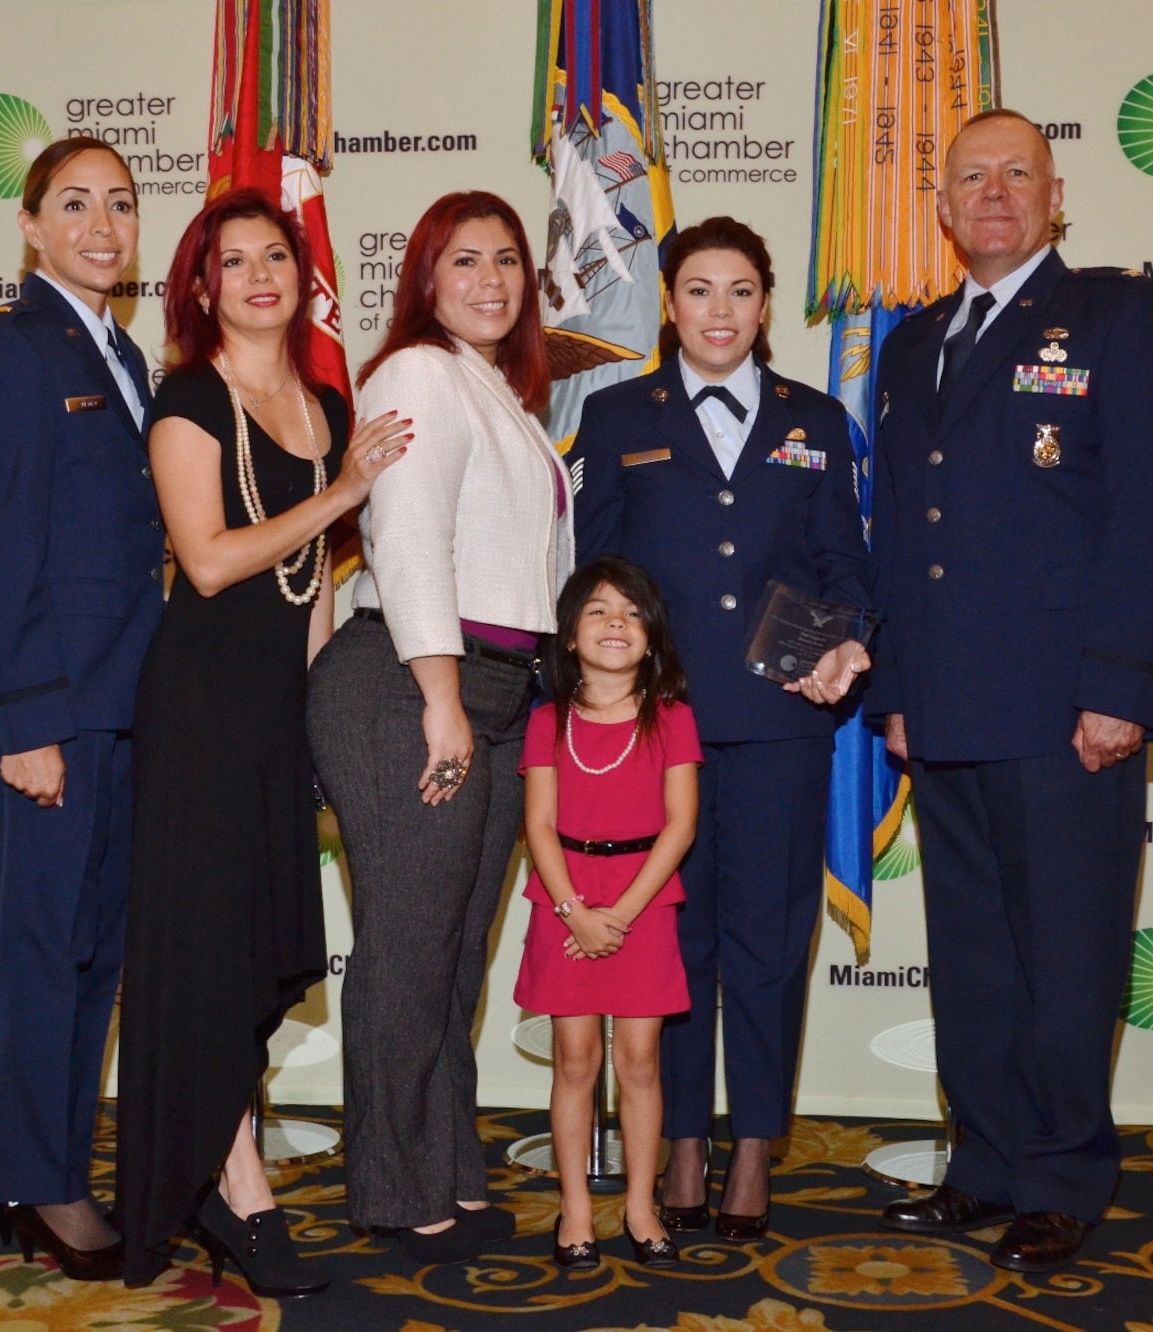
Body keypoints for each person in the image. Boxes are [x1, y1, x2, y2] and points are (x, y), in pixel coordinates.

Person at [867, 108, 1153, 1272]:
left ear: (1054, 197)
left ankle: (1061, 1177)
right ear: (943, 208)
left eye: (1019, 173)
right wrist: (897, 692)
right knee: (969, 954)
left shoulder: (1116, 315)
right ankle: (986, 1164)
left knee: (1065, 955)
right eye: (973, 176)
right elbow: (901, 537)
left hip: (1067, 714)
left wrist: (1119, 685)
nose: (996, 192)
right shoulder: (911, 347)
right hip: (945, 713)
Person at [113, 190, 410, 1293]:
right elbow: (207, 562)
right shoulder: (186, 399)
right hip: (195, 709)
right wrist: (341, 492)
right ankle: (233, 1185)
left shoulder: (328, 401)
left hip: (277, 715)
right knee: (202, 956)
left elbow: (313, 592)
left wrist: (320, 715)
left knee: (250, 954)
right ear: (202, 287)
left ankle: (213, 1172)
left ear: (301, 272)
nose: (257, 276)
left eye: (273, 255)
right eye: (231, 261)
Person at [566, 216, 872, 1240]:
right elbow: (595, 576)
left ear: (764, 302)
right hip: (660, 728)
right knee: (674, 940)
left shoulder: (815, 419)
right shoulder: (616, 418)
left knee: (768, 939)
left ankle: (753, 1148)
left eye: (740, 290)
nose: (719, 311)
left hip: (783, 724)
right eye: (698, 290)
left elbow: (841, 565)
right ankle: (683, 1141)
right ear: (667, 302)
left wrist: (846, 643)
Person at [307, 190, 571, 1264]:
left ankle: (446, 1170)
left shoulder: (501, 392)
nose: (491, 281)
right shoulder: (416, 372)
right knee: (407, 953)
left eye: (507, 261)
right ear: (424, 277)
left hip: (497, 692)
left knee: (455, 955)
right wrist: (441, 699)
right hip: (411, 682)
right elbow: (407, 542)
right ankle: (387, 1188)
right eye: (463, 261)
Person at [0, 137, 159, 1281]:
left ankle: (58, 1162)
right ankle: (34, 1181)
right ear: (29, 226)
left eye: (120, 204)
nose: (101, 223)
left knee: (92, 951)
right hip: (49, 709)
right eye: (74, 204)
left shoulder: (122, 351)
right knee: (42, 948)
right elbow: (7, 543)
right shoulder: (15, 347)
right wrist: (25, 719)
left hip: (123, 701)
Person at [515, 558, 700, 1272]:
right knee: (575, 1060)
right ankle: (576, 1211)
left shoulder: (673, 718)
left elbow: (679, 827)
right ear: (567, 637)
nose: (615, 623)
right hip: (563, 901)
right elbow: (538, 826)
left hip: (644, 901)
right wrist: (575, 913)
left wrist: (618, 914)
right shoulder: (545, 722)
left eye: (630, 612)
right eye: (596, 610)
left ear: (651, 638)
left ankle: (641, 1207)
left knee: (641, 1062)